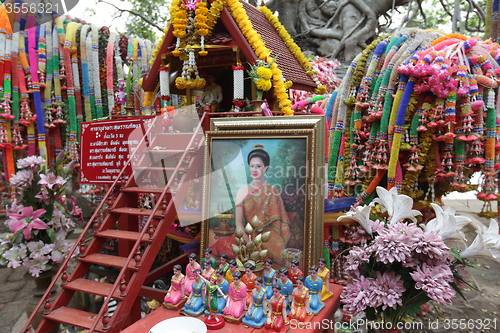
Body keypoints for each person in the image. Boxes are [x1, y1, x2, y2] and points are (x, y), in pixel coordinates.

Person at [211, 145, 291, 267]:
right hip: (247, 236)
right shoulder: (242, 191)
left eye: (258, 166)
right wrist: (248, 242)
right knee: (222, 245)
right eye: (252, 166)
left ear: (265, 168)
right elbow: (238, 222)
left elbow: (280, 221)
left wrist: (268, 239)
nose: (254, 169)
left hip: (268, 237)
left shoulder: (272, 190)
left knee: (278, 253)